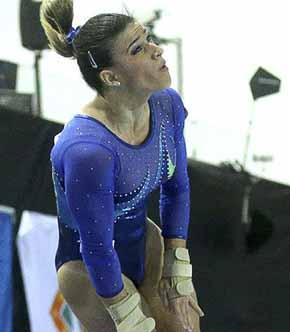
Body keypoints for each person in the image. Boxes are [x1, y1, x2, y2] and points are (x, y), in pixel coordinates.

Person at [42, 1, 205, 331]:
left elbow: (177, 188)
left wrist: (178, 267)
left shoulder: (167, 105)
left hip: (146, 246)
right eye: (138, 49)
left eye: (148, 38)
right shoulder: (87, 149)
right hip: (89, 270)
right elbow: (97, 247)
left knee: (184, 326)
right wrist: (126, 313)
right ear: (110, 76)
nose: (156, 51)